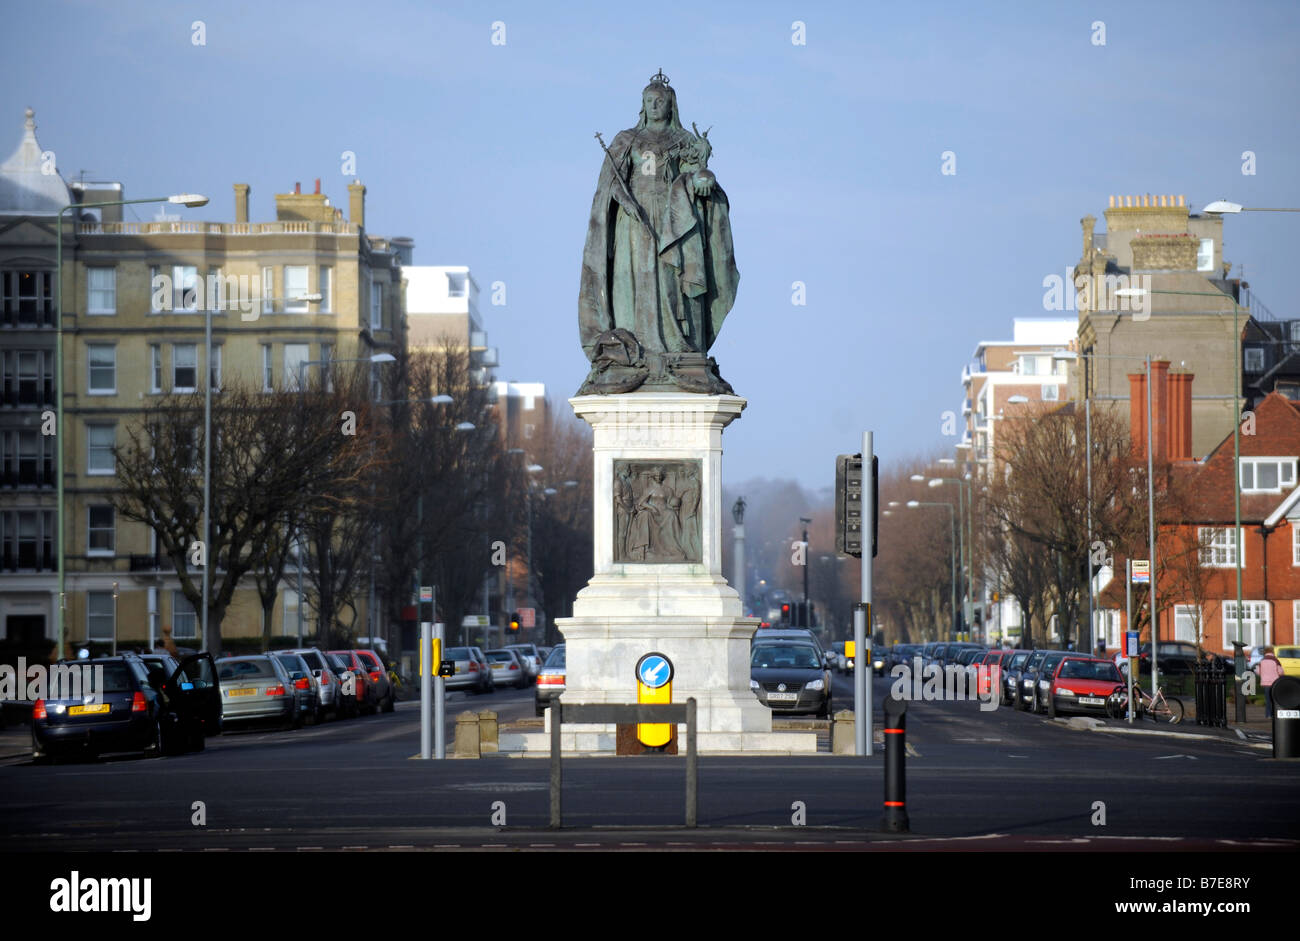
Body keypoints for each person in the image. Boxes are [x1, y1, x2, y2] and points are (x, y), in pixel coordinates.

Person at [578, 70, 739, 394]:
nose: (654, 106)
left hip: (673, 222)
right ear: (642, 105)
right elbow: (607, 186)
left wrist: (702, 180)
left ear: (670, 105)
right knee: (633, 282)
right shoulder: (626, 140)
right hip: (632, 224)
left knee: (670, 280)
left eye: (660, 101)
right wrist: (624, 200)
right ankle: (637, 347)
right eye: (649, 101)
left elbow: (698, 179)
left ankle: (678, 345)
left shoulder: (684, 142)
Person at [1258, 646, 1283, 718]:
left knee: (1268, 699)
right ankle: (1274, 714)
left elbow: (1258, 672)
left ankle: (1268, 714)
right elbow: (1281, 672)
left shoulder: (1262, 660)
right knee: (1275, 699)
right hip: (1275, 682)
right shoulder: (1275, 660)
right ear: (1272, 652)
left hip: (1265, 683)